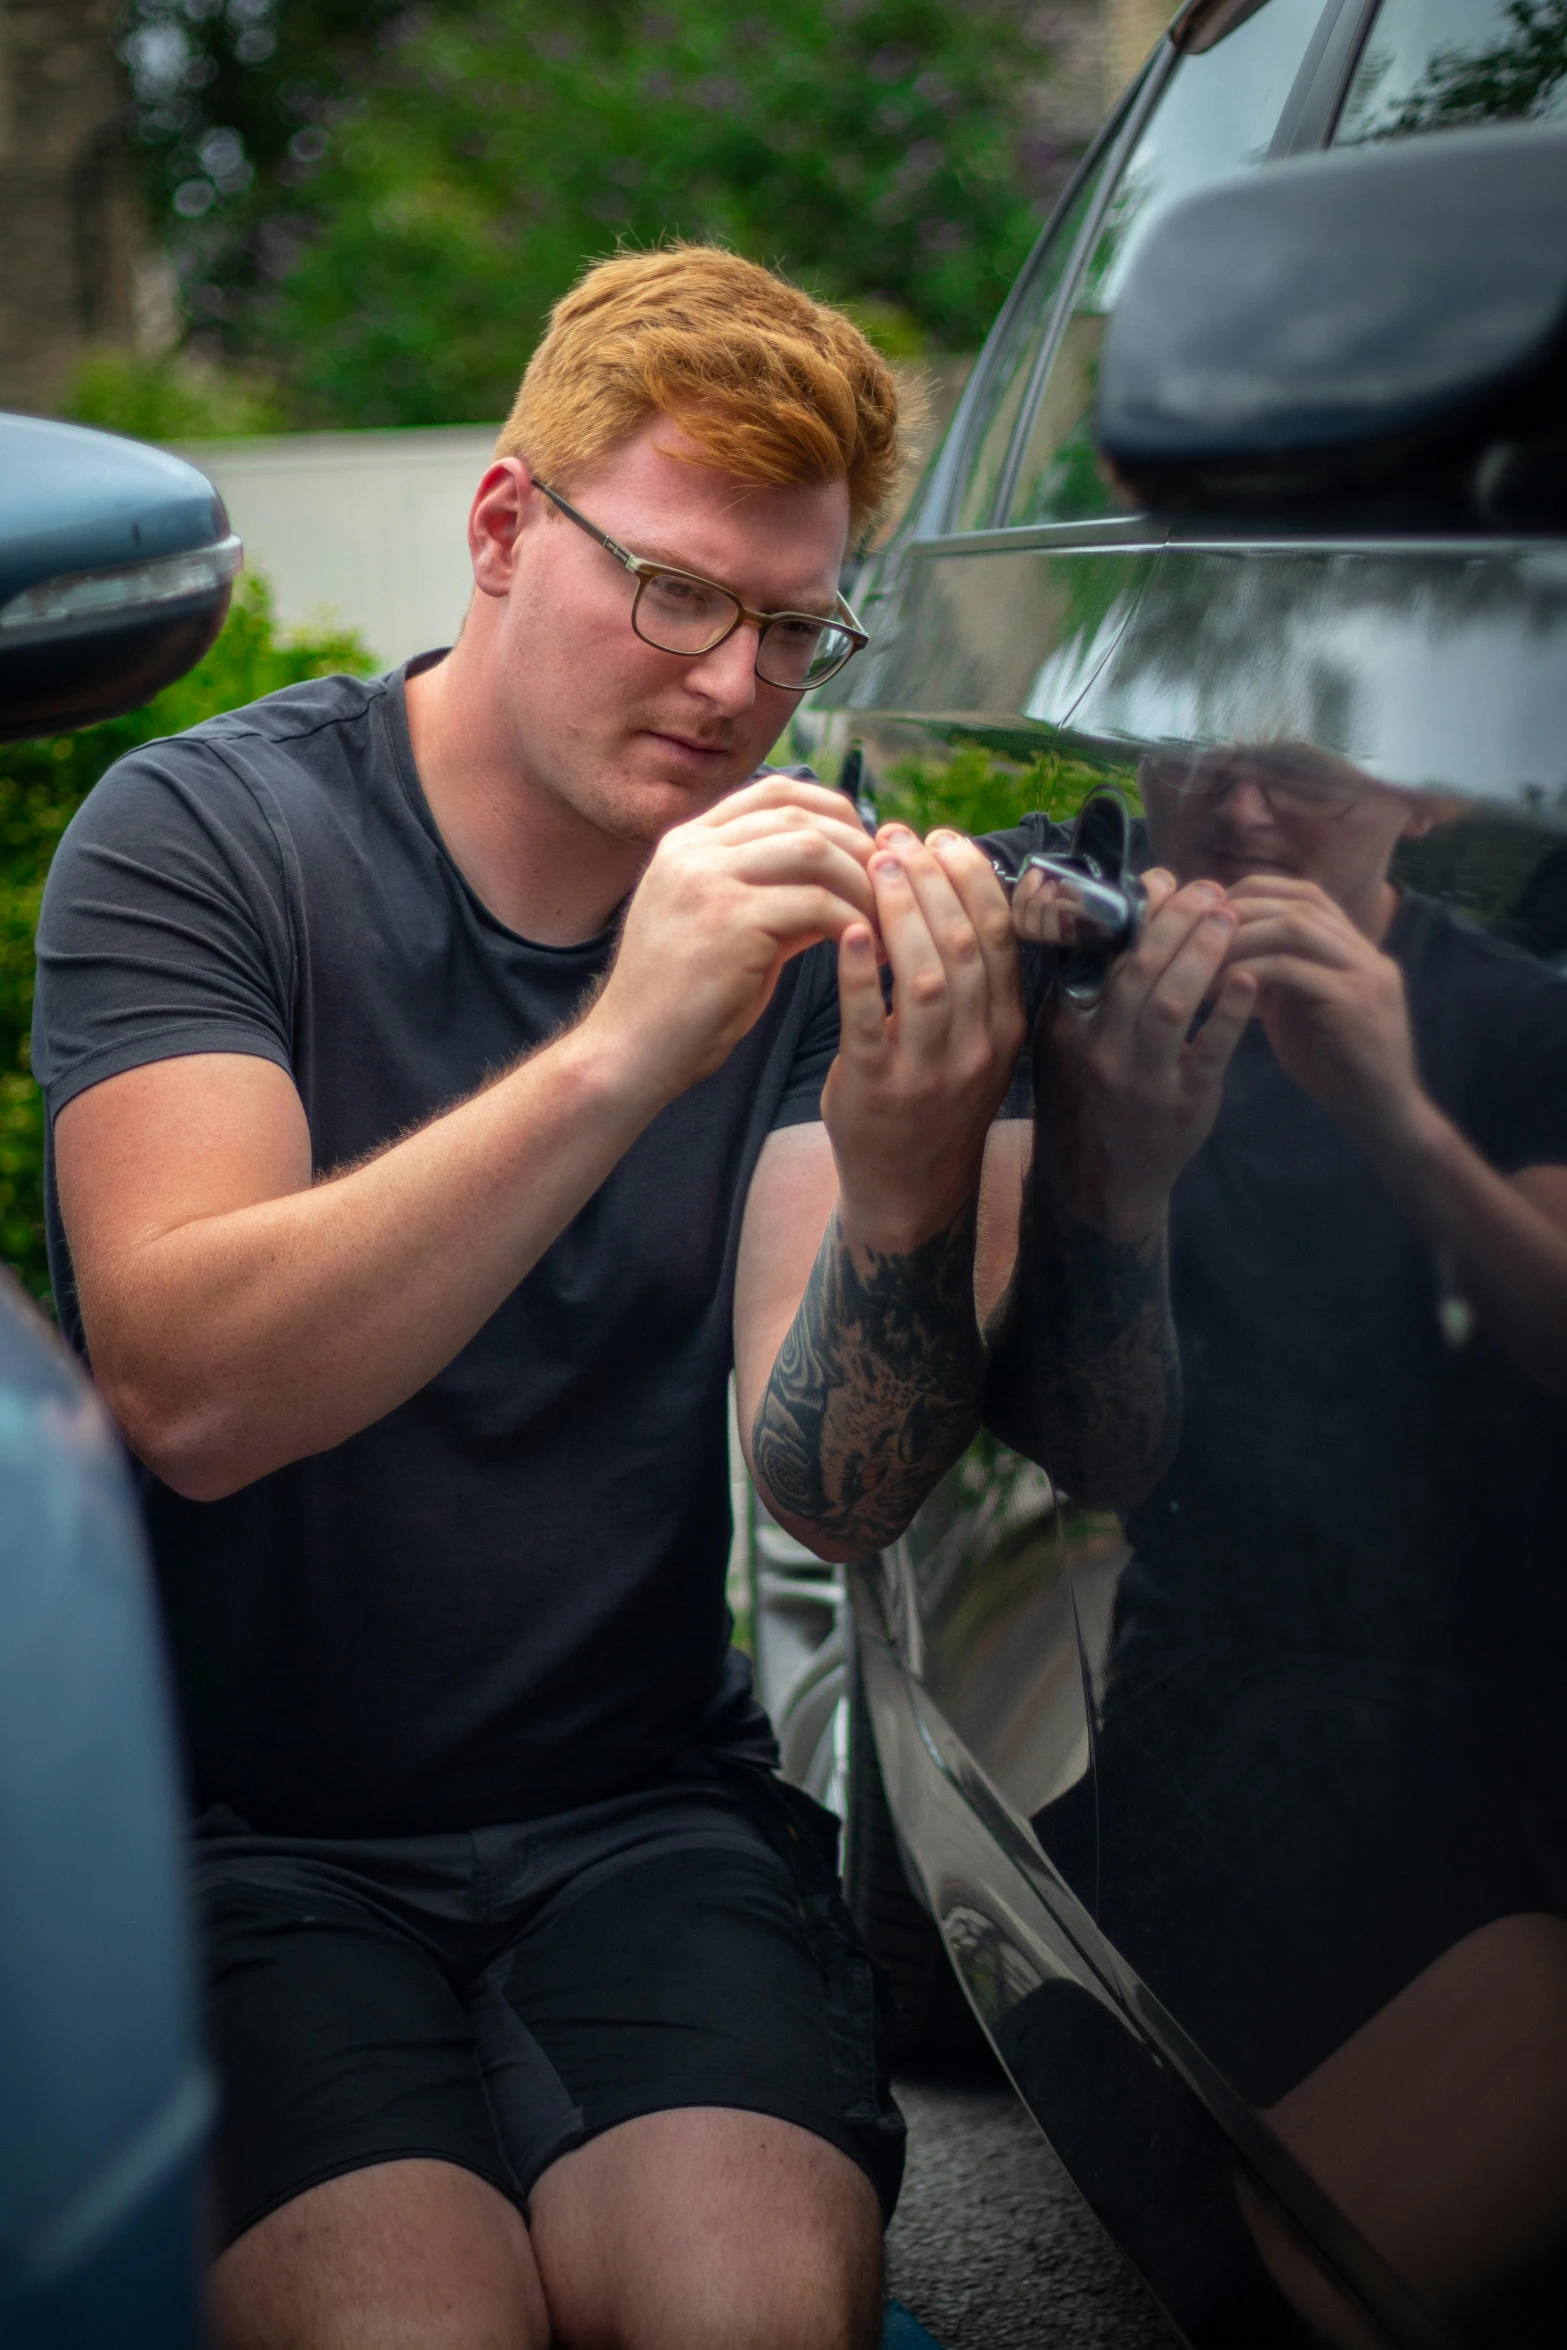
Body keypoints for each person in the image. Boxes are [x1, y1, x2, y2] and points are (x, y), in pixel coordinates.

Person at [31, 245, 1033, 2350]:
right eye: (675, 590)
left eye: (791, 625)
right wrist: (615, 1051)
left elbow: (830, 1485)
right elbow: (190, 1385)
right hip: (226, 1836)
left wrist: (911, 1184)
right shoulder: (208, 838)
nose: (734, 679)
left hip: (636, 1809)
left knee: (751, 2310)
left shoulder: (793, 890)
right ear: (503, 526)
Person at [980, 740, 1567, 2336]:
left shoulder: (1507, 1014)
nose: (1239, 816)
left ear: (1427, 798)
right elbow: (1065, 1426)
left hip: (1475, 1654)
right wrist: (1120, 1145)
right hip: (1221, 1655)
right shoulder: (1091, 982)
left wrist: (1391, 1114)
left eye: (1302, 774)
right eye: (1202, 764)